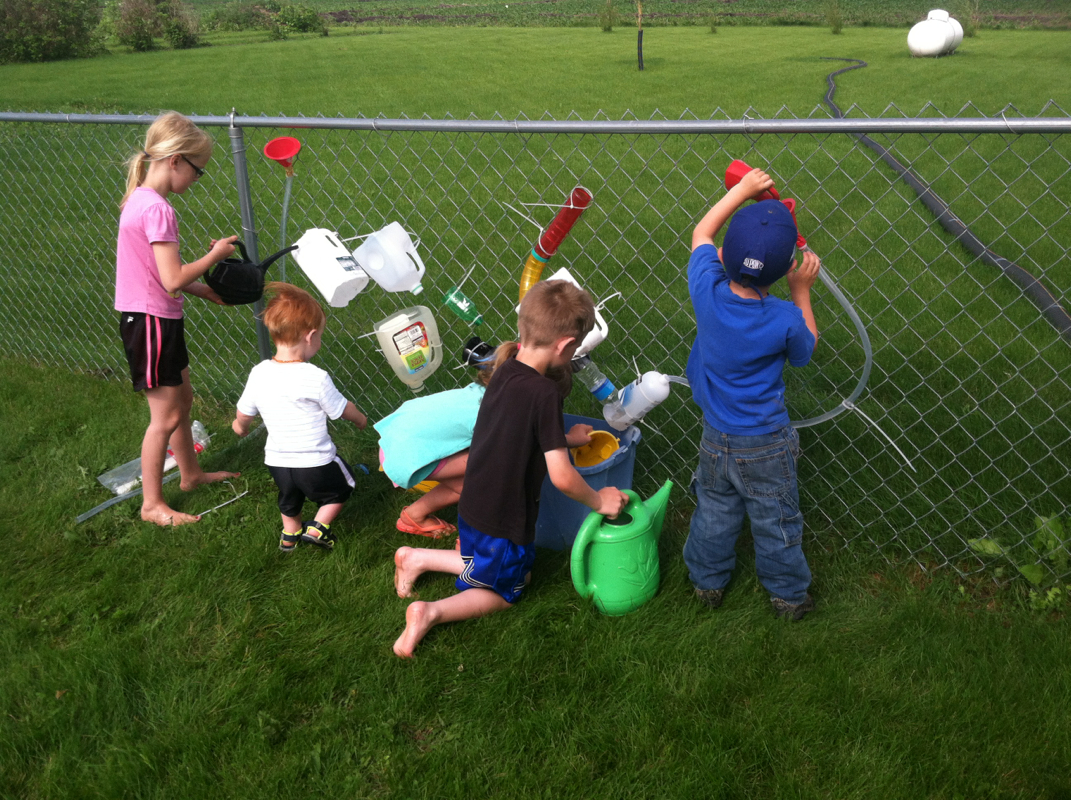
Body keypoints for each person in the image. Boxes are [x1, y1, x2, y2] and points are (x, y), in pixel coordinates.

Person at [392, 280, 628, 657]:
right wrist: (600, 500)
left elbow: (518, 430)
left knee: (495, 563)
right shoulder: (544, 393)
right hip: (504, 517)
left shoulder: (505, 368)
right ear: (565, 345)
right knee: (508, 590)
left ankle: (416, 557)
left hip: (475, 502)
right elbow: (562, 476)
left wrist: (567, 439)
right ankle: (431, 612)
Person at [681, 166, 821, 621]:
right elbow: (806, 351)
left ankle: (706, 583)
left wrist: (741, 191)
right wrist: (802, 293)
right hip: (765, 442)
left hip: (715, 436)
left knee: (714, 513)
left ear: (724, 255)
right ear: (785, 270)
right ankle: (789, 597)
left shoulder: (706, 289)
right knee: (775, 520)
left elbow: (701, 232)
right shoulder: (784, 317)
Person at [116, 110, 241, 527]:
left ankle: (190, 475)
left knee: (182, 401)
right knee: (165, 417)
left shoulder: (140, 198)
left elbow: (156, 273)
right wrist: (215, 256)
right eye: (198, 171)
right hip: (151, 322)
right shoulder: (159, 209)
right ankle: (152, 504)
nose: (198, 179)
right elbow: (171, 278)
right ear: (175, 160)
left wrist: (203, 290)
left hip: (154, 317)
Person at [375, 340, 572, 539]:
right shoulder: (499, 413)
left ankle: (414, 515)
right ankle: (472, 538)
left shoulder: (490, 391)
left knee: (474, 477)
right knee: (483, 483)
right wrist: (570, 439)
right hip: (407, 455)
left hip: (395, 439)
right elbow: (531, 442)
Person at [232, 282, 369, 553]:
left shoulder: (259, 372)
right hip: (315, 460)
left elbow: (244, 412)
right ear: (311, 336)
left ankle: (290, 535)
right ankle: (318, 528)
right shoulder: (315, 377)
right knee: (342, 488)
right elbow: (342, 408)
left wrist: (240, 426)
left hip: (278, 461)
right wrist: (360, 419)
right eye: (320, 337)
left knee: (289, 497)